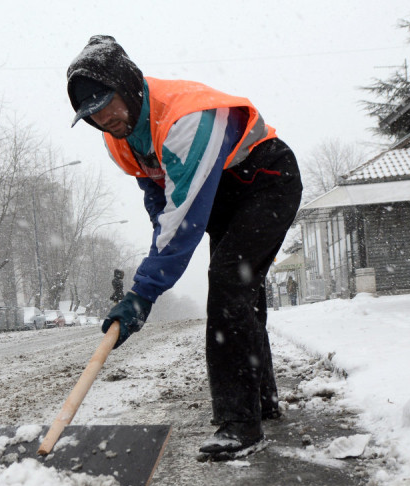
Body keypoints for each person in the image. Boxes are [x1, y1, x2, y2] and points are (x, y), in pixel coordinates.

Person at [67, 35, 303, 457]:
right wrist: (153, 272)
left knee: (231, 280)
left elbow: (183, 222)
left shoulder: (186, 119)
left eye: (109, 107)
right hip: (225, 196)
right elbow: (160, 203)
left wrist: (142, 293)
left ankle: (239, 424)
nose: (105, 121)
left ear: (129, 87)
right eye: (93, 116)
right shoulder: (118, 137)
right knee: (240, 289)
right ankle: (261, 402)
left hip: (265, 181)